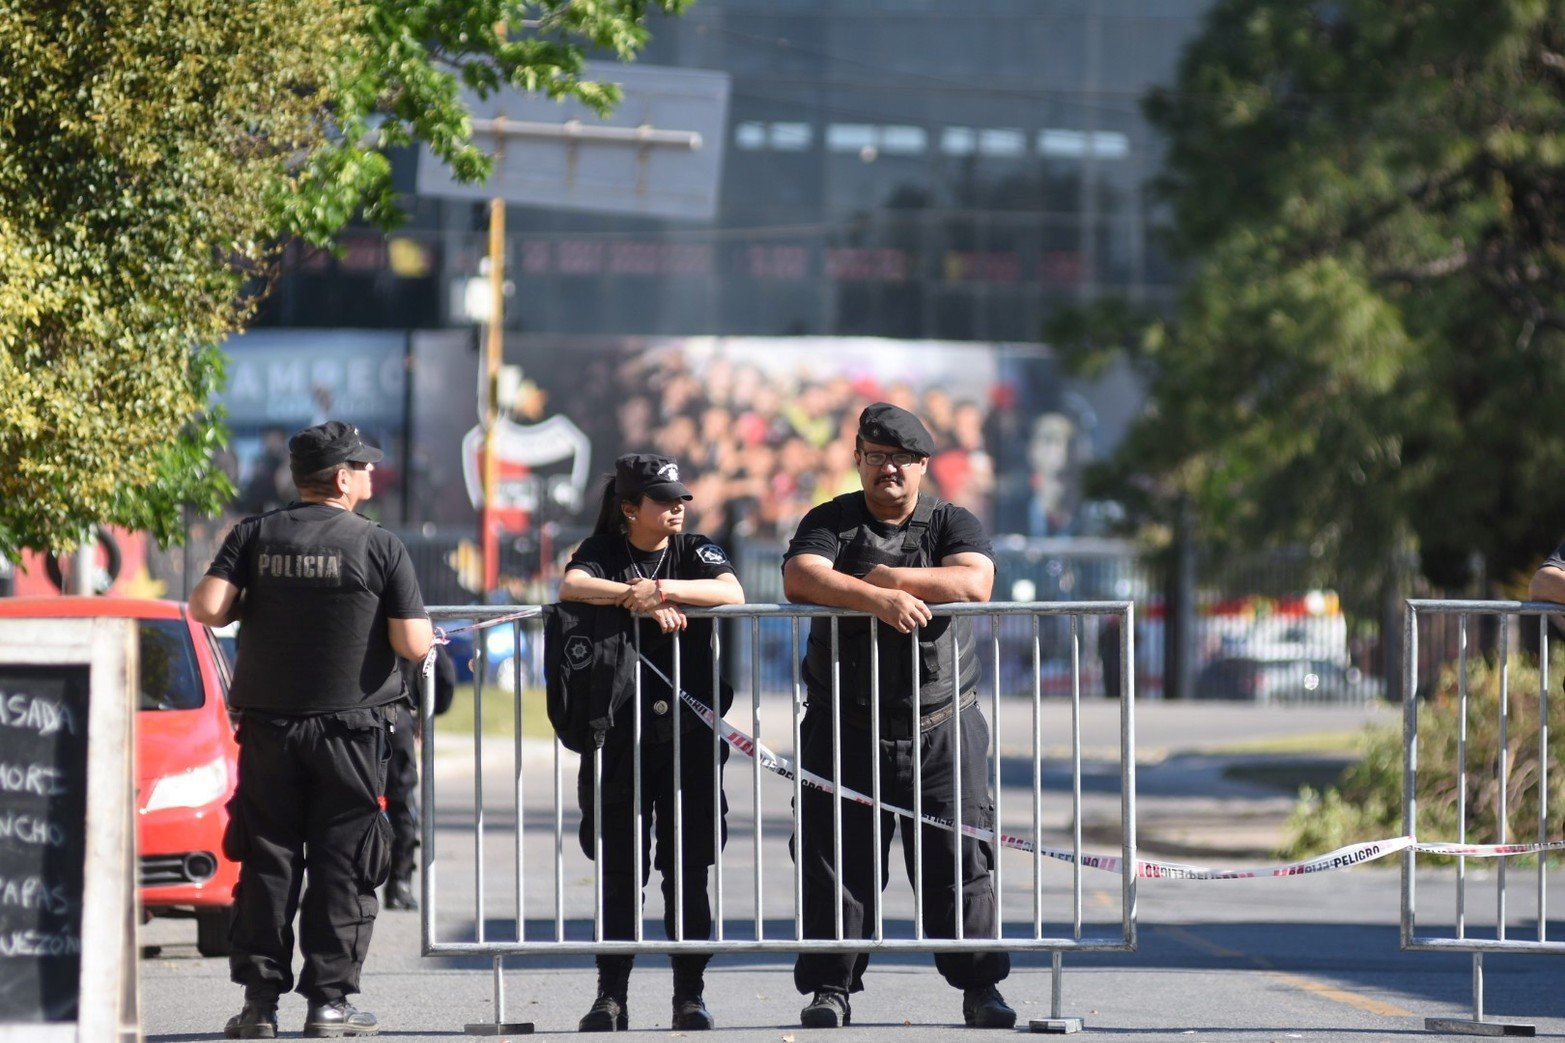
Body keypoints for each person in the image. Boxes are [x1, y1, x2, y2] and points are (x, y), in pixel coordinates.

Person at [190, 420, 433, 1040]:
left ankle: (258, 1007)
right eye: (364, 466)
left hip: (270, 729)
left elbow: (208, 608)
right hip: (350, 735)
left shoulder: (254, 534)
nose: (372, 474)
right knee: (343, 865)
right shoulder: (380, 545)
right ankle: (328, 1004)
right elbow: (411, 640)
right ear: (342, 478)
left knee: (268, 860)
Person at [782, 403, 1016, 1030]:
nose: (888, 468)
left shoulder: (951, 521)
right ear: (858, 458)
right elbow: (802, 576)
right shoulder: (829, 520)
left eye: (901, 459)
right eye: (876, 456)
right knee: (835, 860)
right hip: (843, 725)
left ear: (921, 465)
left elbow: (975, 584)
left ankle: (979, 988)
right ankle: (831, 988)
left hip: (942, 723)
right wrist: (878, 598)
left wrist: (890, 575)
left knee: (959, 859)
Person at [557, 453, 745, 1032]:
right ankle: (610, 996)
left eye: (680, 498)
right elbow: (571, 583)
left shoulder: (695, 550)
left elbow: (732, 592)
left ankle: (690, 993)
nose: (677, 509)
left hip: (687, 740)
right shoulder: (603, 553)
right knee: (620, 868)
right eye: (663, 501)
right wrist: (630, 595)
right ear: (629, 508)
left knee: (689, 868)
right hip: (617, 735)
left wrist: (662, 590)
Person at [383, 645, 456, 911]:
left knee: (340, 803)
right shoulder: (407, 609)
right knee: (401, 802)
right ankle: (399, 883)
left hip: (343, 715)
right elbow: (443, 674)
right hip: (395, 714)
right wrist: (427, 707)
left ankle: (336, 884)